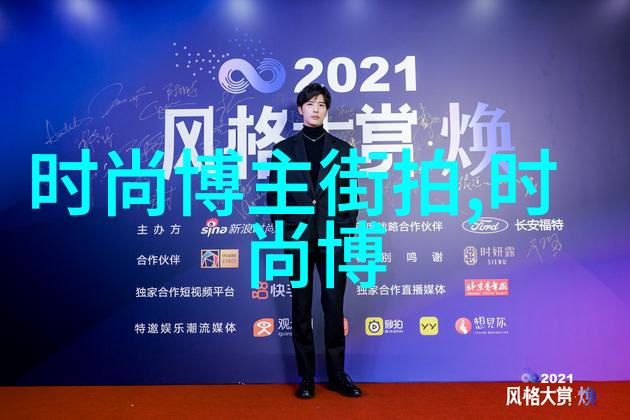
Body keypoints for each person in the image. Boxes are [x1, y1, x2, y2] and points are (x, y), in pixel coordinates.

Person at [266, 83, 362, 398]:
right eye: (310, 104)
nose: (316, 109)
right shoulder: (283, 151)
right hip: (299, 240)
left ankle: (337, 375)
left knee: (333, 307)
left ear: (327, 109)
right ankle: (306, 378)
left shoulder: (343, 150)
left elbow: (351, 198)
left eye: (321, 104)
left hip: (333, 240)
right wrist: (289, 232)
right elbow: (275, 199)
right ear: (300, 109)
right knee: (301, 307)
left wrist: (342, 230)